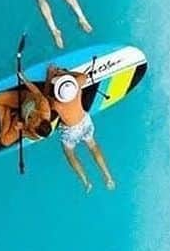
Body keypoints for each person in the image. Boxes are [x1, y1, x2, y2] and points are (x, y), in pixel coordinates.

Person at [44, 63, 116, 192]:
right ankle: (108, 176)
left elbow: (44, 98)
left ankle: (86, 181)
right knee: (93, 146)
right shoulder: (77, 88)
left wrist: (49, 76)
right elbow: (83, 76)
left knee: (70, 154)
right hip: (84, 122)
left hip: (70, 130)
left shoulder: (57, 103)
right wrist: (63, 72)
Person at [0, 72, 53, 148]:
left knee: (5, 141)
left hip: (21, 118)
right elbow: (36, 91)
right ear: (41, 118)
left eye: (33, 124)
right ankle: (7, 112)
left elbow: (32, 136)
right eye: (35, 121)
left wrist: (22, 129)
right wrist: (24, 79)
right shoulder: (43, 105)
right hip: (23, 101)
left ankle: (7, 115)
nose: (32, 122)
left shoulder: (35, 133)